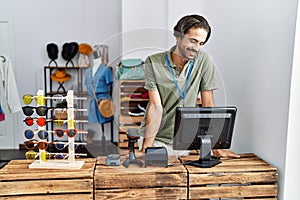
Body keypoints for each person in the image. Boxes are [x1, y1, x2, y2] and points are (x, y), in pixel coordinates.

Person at [138, 14, 240, 158]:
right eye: (193, 41)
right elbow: (155, 106)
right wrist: (146, 149)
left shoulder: (204, 61)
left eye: (201, 43)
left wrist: (214, 146)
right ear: (178, 36)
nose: (197, 48)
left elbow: (208, 104)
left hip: (185, 141)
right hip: (156, 140)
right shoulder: (152, 62)